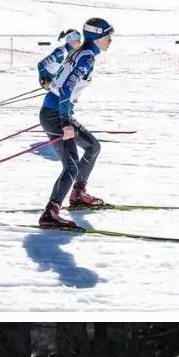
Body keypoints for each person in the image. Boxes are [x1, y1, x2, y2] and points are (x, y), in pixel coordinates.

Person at [38, 17, 114, 229]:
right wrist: (65, 121)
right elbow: (65, 88)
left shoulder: (81, 53)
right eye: (108, 36)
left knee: (93, 146)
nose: (110, 40)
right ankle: (50, 213)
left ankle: (78, 193)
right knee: (70, 166)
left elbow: (61, 83)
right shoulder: (87, 56)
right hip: (56, 115)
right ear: (98, 37)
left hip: (56, 111)